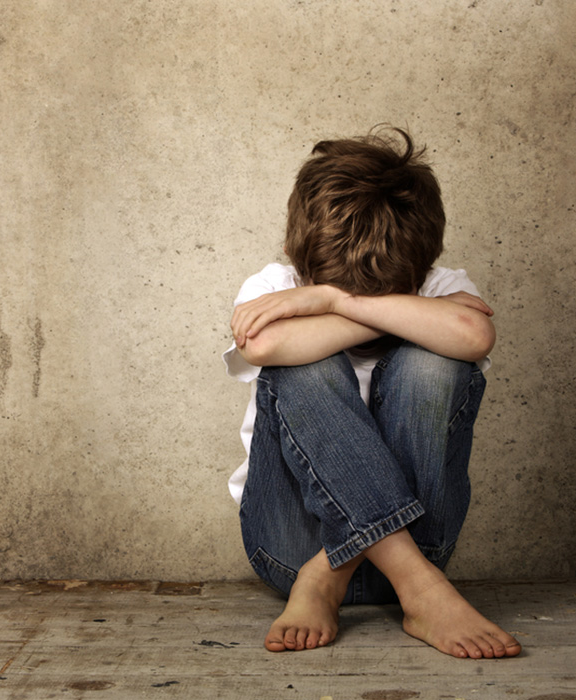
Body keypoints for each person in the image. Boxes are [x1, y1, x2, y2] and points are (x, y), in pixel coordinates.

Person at [222, 127, 522, 660]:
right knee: (301, 367)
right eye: (334, 289)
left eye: (379, 294)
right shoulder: (275, 286)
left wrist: (335, 301)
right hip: (290, 549)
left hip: (424, 544)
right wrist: (361, 307)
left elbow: (474, 335)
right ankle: (418, 589)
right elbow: (266, 345)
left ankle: (334, 572)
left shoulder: (439, 282)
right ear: (298, 251)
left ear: (422, 264)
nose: (349, 298)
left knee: (436, 361)